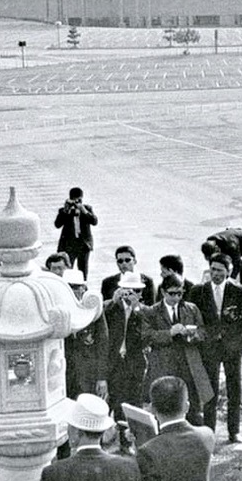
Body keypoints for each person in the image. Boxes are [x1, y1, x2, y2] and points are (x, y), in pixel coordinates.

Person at [189, 253, 242, 443]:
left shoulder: (238, 291)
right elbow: (193, 320)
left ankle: (234, 430)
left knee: (234, 388)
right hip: (209, 349)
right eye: (212, 269)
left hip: (232, 348)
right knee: (210, 391)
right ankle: (210, 431)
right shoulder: (199, 291)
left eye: (220, 270)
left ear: (229, 271)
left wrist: (240, 346)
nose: (215, 274)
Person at [141, 272, 213, 425]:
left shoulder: (191, 309)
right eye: (172, 294)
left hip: (188, 367)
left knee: (192, 408)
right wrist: (170, 333)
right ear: (162, 292)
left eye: (180, 293)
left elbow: (203, 331)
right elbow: (147, 336)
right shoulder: (152, 312)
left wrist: (193, 335)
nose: (176, 298)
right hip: (163, 366)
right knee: (164, 409)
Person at [104, 272, 148, 451]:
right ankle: (109, 441)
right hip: (114, 364)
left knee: (134, 404)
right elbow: (102, 327)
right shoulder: (110, 307)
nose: (132, 295)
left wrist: (137, 310)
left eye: (136, 291)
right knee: (115, 403)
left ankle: (128, 443)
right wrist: (114, 302)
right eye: (129, 291)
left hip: (134, 364)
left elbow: (145, 338)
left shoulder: (143, 312)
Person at [64, 270, 109, 399]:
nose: (73, 291)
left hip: (89, 375)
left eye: (76, 287)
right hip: (66, 375)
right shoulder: (60, 310)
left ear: (83, 288)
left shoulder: (93, 310)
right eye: (69, 287)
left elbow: (102, 345)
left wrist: (102, 378)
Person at [54, 187, 98, 280]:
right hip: (69, 245)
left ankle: (83, 288)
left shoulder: (87, 208)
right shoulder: (65, 210)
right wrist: (66, 210)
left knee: (83, 271)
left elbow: (94, 221)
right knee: (67, 270)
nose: (77, 203)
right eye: (74, 200)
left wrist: (84, 211)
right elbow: (57, 224)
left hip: (84, 245)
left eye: (79, 200)